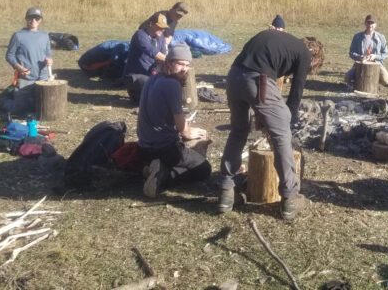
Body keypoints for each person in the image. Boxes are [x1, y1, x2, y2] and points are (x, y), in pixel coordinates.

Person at [217, 29, 325, 220]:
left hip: (234, 77)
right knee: (282, 136)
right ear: (315, 59)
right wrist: (287, 121)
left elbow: (262, 74)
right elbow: (296, 93)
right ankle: (290, 197)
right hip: (257, 80)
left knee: (238, 130)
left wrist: (264, 115)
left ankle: (227, 191)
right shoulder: (304, 54)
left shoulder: (281, 43)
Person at [138, 44, 211, 198]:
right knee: (204, 168)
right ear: (169, 62)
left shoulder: (151, 79)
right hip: (164, 148)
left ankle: (153, 167)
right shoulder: (172, 84)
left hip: (143, 147)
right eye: (180, 63)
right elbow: (182, 129)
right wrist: (190, 132)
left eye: (186, 64)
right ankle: (162, 177)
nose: (184, 69)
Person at [4, 7, 53, 114]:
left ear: (40, 20)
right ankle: (2, 101)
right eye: (30, 18)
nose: (33, 21)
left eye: (36, 18)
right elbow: (9, 55)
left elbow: (48, 54)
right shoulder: (18, 36)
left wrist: (49, 60)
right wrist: (19, 68)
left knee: (41, 109)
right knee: (20, 111)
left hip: (43, 79)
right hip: (25, 78)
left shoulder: (45, 36)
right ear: (26, 19)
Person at [124, 13, 168, 103]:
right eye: (160, 27)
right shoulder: (140, 35)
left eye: (164, 28)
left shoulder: (160, 37)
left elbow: (163, 57)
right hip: (135, 77)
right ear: (151, 24)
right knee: (154, 85)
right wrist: (172, 61)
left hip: (150, 74)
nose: (163, 30)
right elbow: (152, 52)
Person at [345, 14, 388, 88]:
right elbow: (351, 52)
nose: (370, 25)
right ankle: (358, 82)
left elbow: (385, 54)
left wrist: (375, 56)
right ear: (365, 23)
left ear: (375, 25)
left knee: (386, 80)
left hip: (377, 64)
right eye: (368, 23)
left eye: (372, 23)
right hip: (360, 64)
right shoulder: (357, 37)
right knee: (348, 77)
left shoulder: (381, 37)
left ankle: (376, 82)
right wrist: (359, 57)